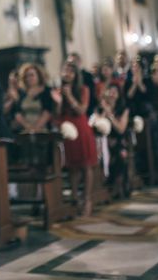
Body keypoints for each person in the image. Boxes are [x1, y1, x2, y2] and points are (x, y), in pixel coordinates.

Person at [52, 60, 97, 216]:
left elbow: (82, 109)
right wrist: (59, 100)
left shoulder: (83, 89)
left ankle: (88, 200)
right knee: (72, 167)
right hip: (67, 130)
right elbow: (56, 114)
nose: (67, 73)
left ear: (76, 74)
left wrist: (69, 95)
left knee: (86, 165)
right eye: (65, 70)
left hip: (81, 128)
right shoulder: (57, 90)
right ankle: (75, 199)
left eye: (71, 71)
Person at [11, 63, 54, 133]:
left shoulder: (47, 91)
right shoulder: (22, 93)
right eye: (26, 76)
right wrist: (28, 127)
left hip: (43, 130)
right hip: (26, 130)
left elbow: (47, 112)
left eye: (32, 75)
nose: (29, 78)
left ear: (38, 76)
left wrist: (36, 129)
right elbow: (17, 113)